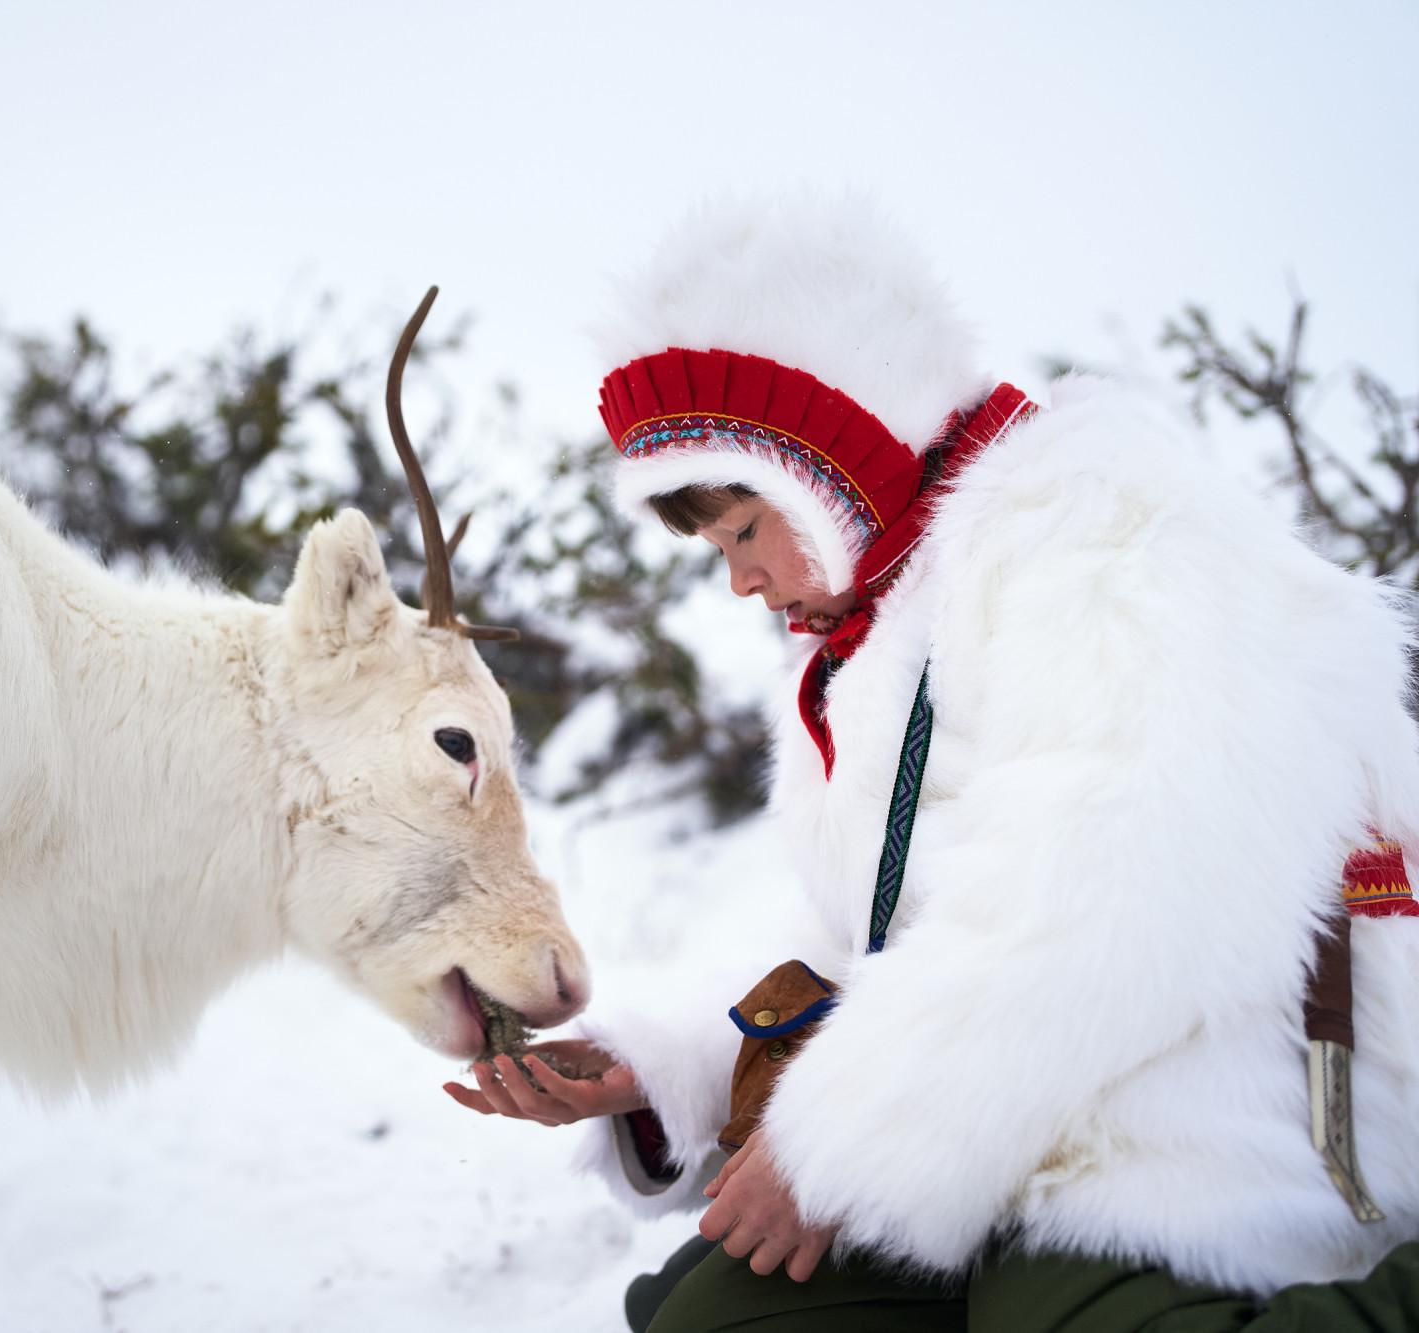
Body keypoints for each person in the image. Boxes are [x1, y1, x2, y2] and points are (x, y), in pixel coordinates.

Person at [444, 199, 1419, 1331]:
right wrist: (673, 1067)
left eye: (744, 530)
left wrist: (835, 1145)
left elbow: (1111, 893)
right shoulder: (879, 631)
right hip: (1012, 1107)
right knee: (708, 1318)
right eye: (714, 551)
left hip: (1221, 1091)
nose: (740, 584)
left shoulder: (1096, 532)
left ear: (831, 448)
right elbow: (892, 938)